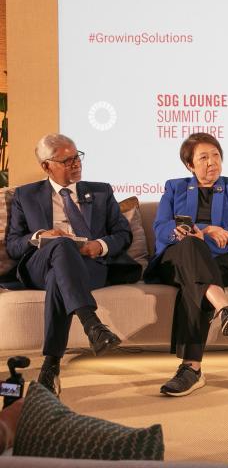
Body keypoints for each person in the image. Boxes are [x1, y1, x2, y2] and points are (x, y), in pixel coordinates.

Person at [5, 134, 141, 396]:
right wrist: (40, 237)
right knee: (61, 245)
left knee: (61, 277)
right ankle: (91, 323)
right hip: (40, 265)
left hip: (89, 265)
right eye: (66, 161)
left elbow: (123, 235)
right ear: (46, 166)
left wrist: (98, 245)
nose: (76, 164)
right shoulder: (26, 195)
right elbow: (13, 245)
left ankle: (51, 365)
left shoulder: (101, 191)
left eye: (77, 157)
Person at [145, 133, 228, 397]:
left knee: (194, 283)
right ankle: (224, 307)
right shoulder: (175, 187)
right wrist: (206, 230)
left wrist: (204, 239)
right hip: (175, 260)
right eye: (204, 157)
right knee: (189, 246)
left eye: (216, 155)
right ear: (189, 165)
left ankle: (191, 369)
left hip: (222, 259)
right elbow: (162, 228)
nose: (212, 162)